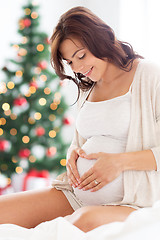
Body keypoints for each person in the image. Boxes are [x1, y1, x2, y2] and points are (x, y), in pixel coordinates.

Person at [0, 6, 160, 233]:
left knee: (78, 223)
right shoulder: (89, 87)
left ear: (101, 39)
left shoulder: (148, 76)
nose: (79, 68)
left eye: (81, 56)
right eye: (70, 62)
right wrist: (72, 153)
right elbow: (88, 140)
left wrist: (119, 162)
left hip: (132, 202)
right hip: (75, 194)